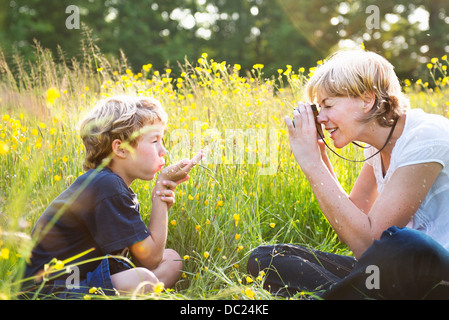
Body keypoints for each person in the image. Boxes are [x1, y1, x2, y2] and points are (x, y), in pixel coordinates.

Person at [247, 49, 449, 299]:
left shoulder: (425, 136)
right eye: (319, 108)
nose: (321, 118)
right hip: (398, 274)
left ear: (367, 100)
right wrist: (319, 158)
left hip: (436, 274)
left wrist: (313, 166)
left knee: (404, 242)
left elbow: (368, 243)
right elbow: (354, 227)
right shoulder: (376, 147)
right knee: (266, 257)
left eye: (328, 105)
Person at [21, 95, 204, 299]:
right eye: (155, 141)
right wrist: (160, 193)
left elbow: (147, 256)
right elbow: (150, 260)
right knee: (144, 279)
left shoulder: (106, 183)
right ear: (121, 149)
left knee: (172, 260)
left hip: (84, 280)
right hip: (51, 291)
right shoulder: (108, 185)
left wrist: (161, 194)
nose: (164, 150)